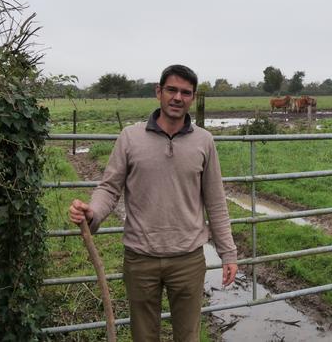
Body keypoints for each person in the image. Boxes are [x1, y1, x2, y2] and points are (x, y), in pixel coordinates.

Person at [69, 64, 237, 342]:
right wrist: (92, 213)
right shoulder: (130, 137)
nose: (177, 97)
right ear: (158, 92)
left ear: (192, 98)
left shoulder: (204, 141)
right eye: (171, 89)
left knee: (188, 335)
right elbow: (109, 188)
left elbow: (216, 201)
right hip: (140, 258)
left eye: (186, 92)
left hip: (188, 258)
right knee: (143, 335)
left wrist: (228, 253)